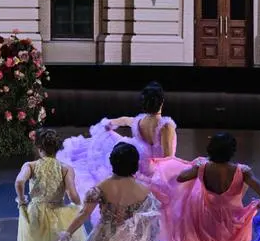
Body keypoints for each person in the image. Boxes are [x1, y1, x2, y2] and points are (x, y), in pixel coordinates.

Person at [59, 82, 179, 224]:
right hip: (154, 170)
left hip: (139, 163)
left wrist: (108, 124)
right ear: (162, 101)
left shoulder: (140, 121)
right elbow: (168, 160)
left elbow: (124, 120)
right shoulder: (166, 125)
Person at [15, 129, 86, 241]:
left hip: (37, 214)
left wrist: (22, 201)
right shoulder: (65, 168)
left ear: (39, 148)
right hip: (58, 213)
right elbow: (72, 193)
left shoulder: (30, 166)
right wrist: (80, 206)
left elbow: (19, 182)